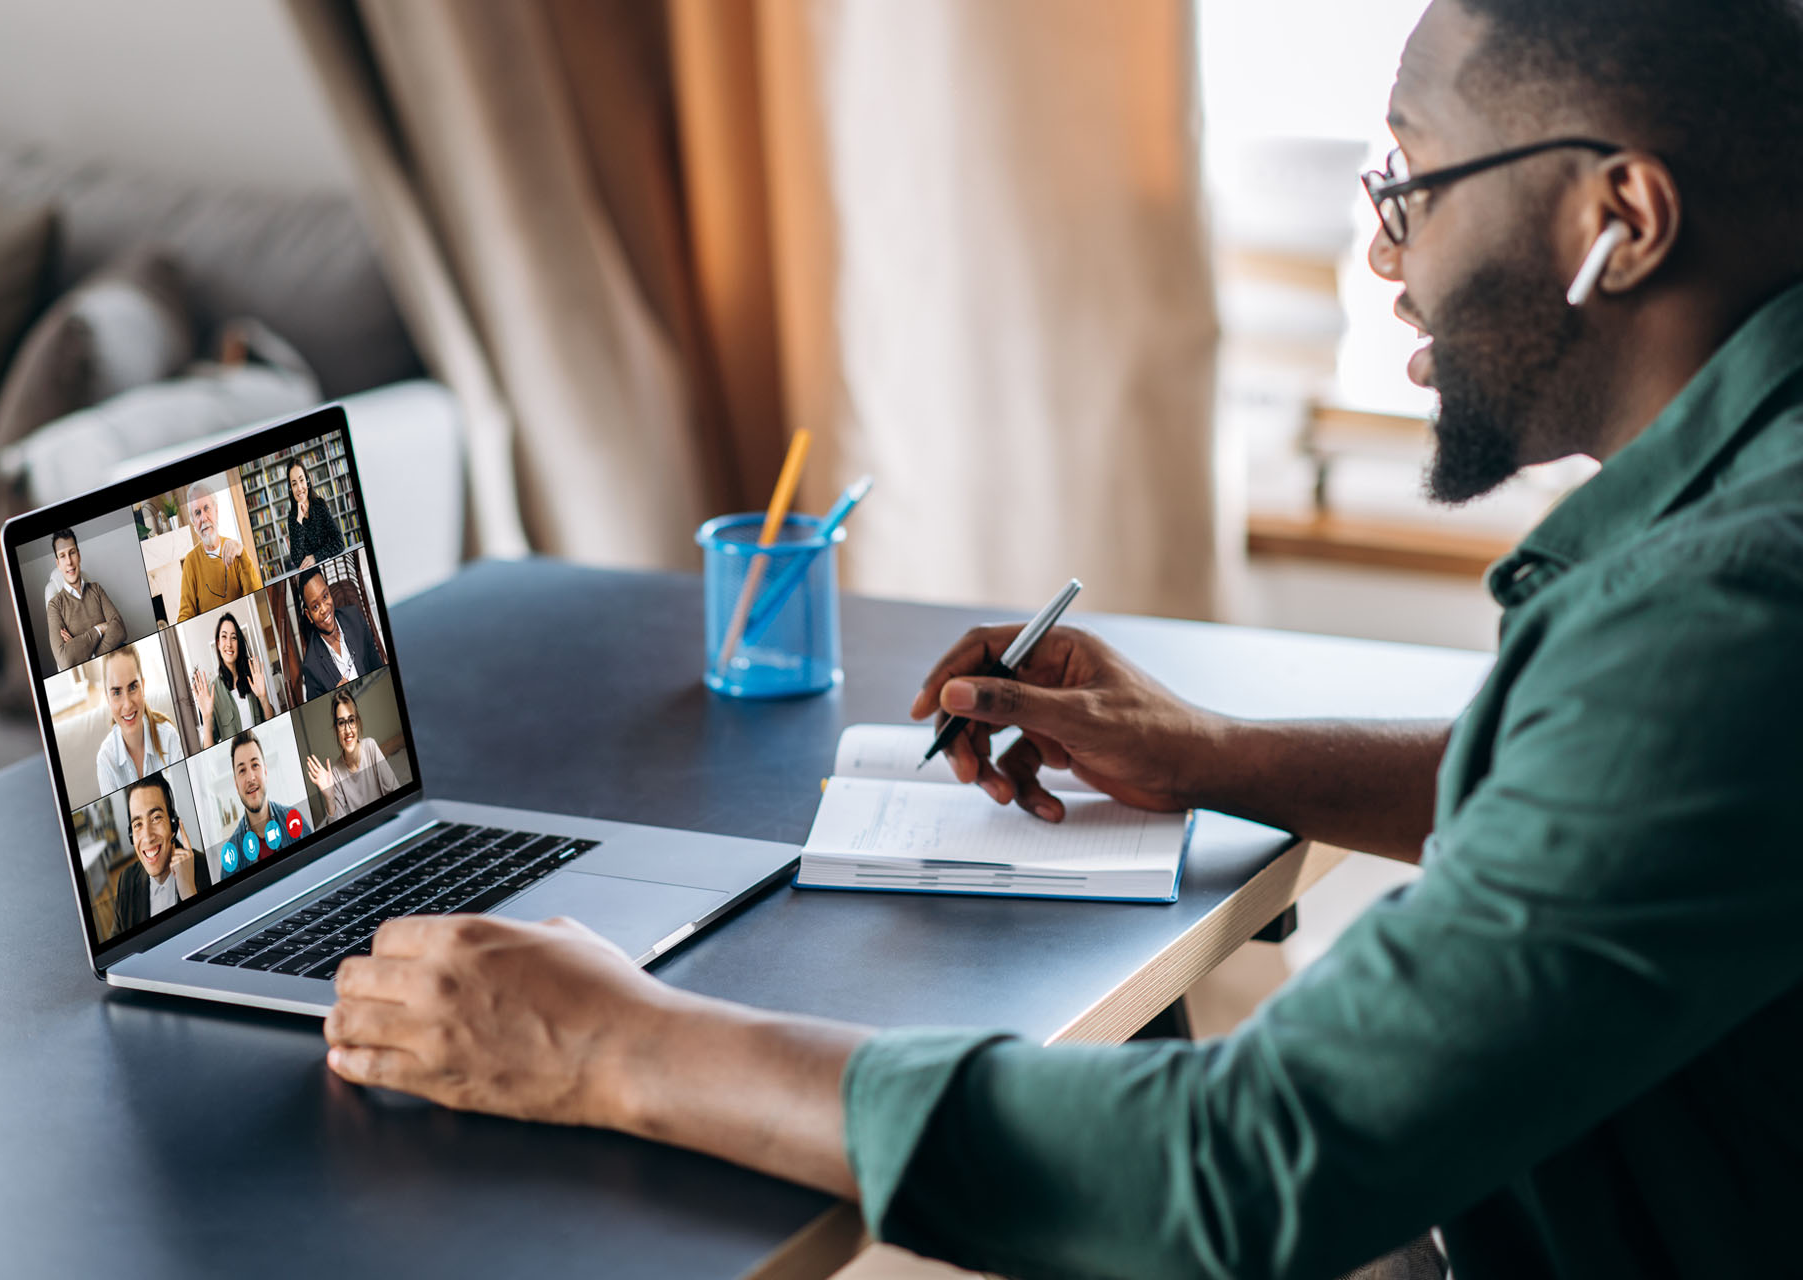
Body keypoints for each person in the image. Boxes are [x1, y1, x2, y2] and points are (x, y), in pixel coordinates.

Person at [322, 3, 1803, 1277]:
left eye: (1413, 181)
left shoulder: (1725, 616)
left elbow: (1248, 1165)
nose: (1378, 252)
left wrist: (617, 1045)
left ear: (1623, 221)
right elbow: (1635, 805)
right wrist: (1216, 756)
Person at [110, 772, 203, 936]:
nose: (147, 836)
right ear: (131, 835)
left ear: (173, 825)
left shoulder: (204, 866)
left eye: (156, 818)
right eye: (138, 824)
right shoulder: (127, 881)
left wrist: (189, 893)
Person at [93, 645, 185, 797]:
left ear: (142, 685)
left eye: (132, 687)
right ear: (107, 697)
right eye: (117, 692)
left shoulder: (168, 736)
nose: (128, 704)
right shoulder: (106, 760)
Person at [305, 689, 401, 819]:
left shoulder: (370, 746)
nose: (348, 730)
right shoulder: (336, 773)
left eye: (351, 720)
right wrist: (330, 799)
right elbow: (339, 828)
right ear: (336, 729)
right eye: (341, 723)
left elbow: (394, 792)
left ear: (357, 722)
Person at [175, 480, 261, 623]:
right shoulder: (190, 562)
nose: (203, 518)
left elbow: (255, 595)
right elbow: (185, 615)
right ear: (194, 523)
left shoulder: (237, 552)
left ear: (216, 511)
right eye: (197, 513)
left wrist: (243, 555)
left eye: (207, 508)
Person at [225, 729, 313, 863]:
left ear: (265, 772)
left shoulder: (294, 820)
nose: (250, 778)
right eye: (242, 770)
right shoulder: (232, 853)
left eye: (255, 765)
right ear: (236, 785)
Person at [296, 566, 383, 701]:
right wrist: (336, 697)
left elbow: (378, 667)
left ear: (330, 593)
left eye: (325, 596)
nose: (324, 609)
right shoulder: (311, 667)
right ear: (309, 615)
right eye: (315, 606)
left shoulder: (355, 618)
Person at [44, 528, 125, 672]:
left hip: (119, 661)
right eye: (62, 556)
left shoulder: (96, 589)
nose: (69, 561)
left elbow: (119, 629)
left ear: (79, 556)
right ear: (58, 564)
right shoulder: (55, 605)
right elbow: (65, 659)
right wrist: (100, 629)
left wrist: (85, 651)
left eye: (72, 553)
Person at [191, 612, 275, 748]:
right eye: (224, 637)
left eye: (234, 638)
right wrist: (206, 719)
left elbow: (271, 724)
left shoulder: (252, 678)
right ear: (218, 643)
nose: (229, 644)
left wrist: (264, 698)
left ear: (239, 643)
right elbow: (209, 753)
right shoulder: (213, 691)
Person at [284, 455, 346, 571]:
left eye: (301, 480)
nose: (299, 488)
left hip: (331, 567)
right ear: (290, 489)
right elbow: (298, 561)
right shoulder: (293, 518)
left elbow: (339, 543)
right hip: (312, 575)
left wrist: (315, 557)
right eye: (294, 484)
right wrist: (299, 520)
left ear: (307, 481)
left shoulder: (320, 506)